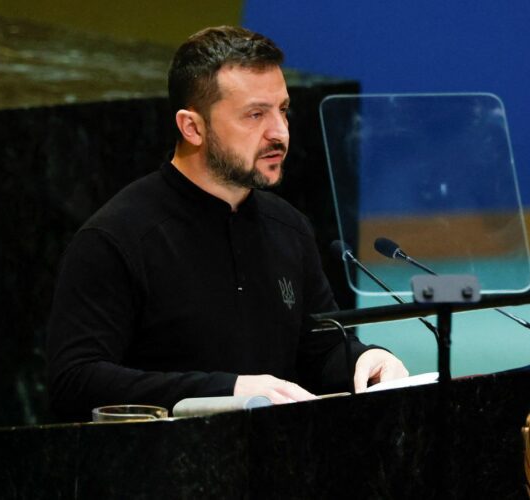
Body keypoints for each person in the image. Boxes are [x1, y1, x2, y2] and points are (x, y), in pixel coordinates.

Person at [47, 26, 408, 420]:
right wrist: (229, 390)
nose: (280, 133)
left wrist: (367, 359)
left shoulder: (288, 227)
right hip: (162, 470)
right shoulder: (116, 238)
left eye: (283, 110)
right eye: (255, 115)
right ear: (192, 127)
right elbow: (76, 381)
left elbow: (318, 349)